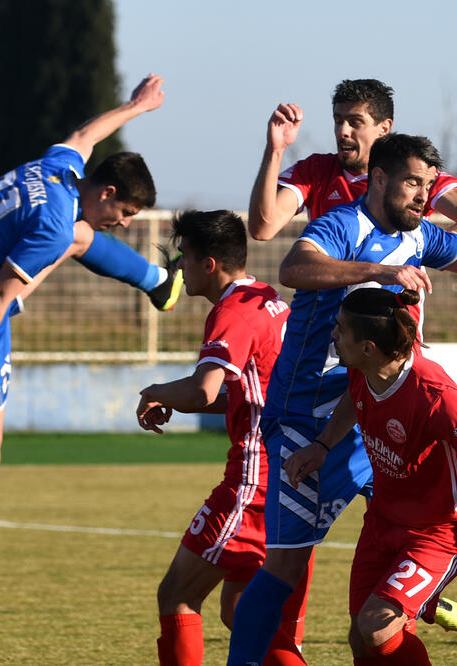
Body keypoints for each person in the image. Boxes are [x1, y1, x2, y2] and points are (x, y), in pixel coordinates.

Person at [226, 132, 457, 665]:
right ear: (378, 179)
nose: (423, 197)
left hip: (367, 408)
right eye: (413, 183)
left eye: (429, 185)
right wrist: (381, 273)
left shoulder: (421, 236)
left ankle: (417, 590)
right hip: (303, 420)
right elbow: (294, 268)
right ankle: (412, 599)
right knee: (287, 567)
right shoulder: (342, 225)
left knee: (392, 573)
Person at [0, 73, 183, 657]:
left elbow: (86, 132)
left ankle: (158, 283)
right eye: (127, 211)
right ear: (106, 192)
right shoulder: (52, 222)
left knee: (79, 238)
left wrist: (135, 107)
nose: (127, 223)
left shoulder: (57, 169)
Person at [284, 288, 457, 664]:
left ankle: (422, 603)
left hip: (439, 531)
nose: (334, 335)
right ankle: (424, 605)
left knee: (376, 626)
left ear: (368, 347)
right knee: (362, 639)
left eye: (341, 329)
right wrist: (323, 446)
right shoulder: (363, 369)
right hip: (382, 522)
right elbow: (353, 395)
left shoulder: (433, 395)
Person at [134, 210, 305, 665]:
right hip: (282, 474)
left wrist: (156, 391)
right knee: (241, 611)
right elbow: (244, 394)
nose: (179, 269)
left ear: (209, 264)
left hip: (253, 480)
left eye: (184, 257)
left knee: (176, 595)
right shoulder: (266, 298)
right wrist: (180, 399)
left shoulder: (232, 312)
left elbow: (203, 388)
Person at [248, 78, 457, 243]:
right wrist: (275, 149)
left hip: (390, 317)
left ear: (384, 128)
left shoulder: (417, 176)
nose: (343, 131)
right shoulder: (315, 171)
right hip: (328, 317)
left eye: (355, 122)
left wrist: (432, 248)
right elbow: (263, 228)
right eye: (338, 120)